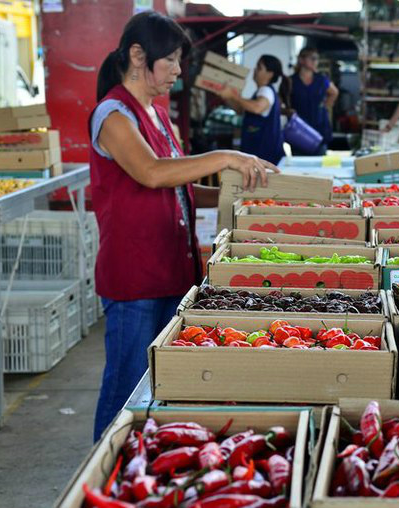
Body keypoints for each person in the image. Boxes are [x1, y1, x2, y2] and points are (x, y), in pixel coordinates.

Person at [89, 11, 278, 441]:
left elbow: (181, 188)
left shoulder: (156, 115)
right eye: (171, 59)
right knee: (124, 392)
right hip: (133, 278)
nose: (178, 70)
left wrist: (248, 204)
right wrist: (227, 157)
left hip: (172, 268)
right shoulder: (113, 115)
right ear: (138, 56)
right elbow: (153, 173)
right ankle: (101, 475)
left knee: (163, 388)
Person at [219, 55, 291, 165]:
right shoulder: (260, 92)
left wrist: (234, 96)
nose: (255, 70)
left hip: (265, 155)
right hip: (260, 154)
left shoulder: (266, 91)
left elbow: (257, 108)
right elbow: (241, 110)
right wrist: (227, 97)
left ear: (270, 74)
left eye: (259, 67)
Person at [289, 47, 339, 155]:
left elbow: (334, 92)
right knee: (299, 167)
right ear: (301, 60)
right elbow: (283, 101)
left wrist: (325, 106)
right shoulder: (291, 81)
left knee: (319, 164)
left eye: (316, 59)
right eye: (312, 58)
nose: (315, 61)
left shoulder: (321, 79)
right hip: (299, 130)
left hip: (319, 128)